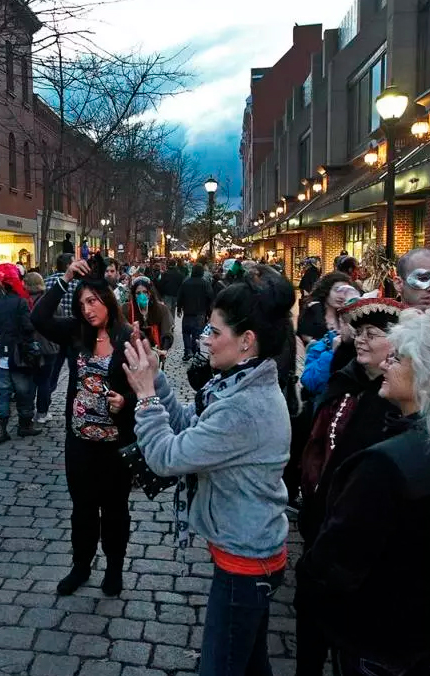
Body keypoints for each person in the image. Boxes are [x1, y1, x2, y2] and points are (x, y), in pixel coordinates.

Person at [296, 307, 430, 676]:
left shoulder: (386, 464)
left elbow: (340, 559)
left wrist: (310, 578)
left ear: (429, 378)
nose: (387, 365)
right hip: (424, 621)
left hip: (377, 627)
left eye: (398, 358)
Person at [122, 275, 294, 676]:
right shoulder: (236, 388)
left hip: (246, 565)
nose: (204, 338)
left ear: (246, 340)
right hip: (249, 553)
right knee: (251, 664)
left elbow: (167, 456)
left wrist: (146, 397)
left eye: (215, 332)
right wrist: (158, 378)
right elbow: (188, 425)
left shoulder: (243, 407)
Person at [294, 297, 405, 676]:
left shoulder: (397, 403)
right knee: (309, 613)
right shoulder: (345, 379)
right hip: (321, 512)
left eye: (372, 335)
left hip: (358, 525)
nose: (361, 340)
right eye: (359, 333)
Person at [31, 255, 137, 598]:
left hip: (116, 443)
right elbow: (39, 317)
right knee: (83, 509)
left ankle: (115, 568)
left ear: (108, 300)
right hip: (80, 442)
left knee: (116, 509)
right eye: (82, 303)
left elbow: (146, 390)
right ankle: (81, 565)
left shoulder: (126, 337)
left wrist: (126, 403)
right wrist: (63, 280)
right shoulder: (76, 333)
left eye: (93, 301)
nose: (88, 309)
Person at [0, 264, 41, 442]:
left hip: (3, 353)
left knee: (4, 392)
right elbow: (28, 327)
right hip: (19, 354)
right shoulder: (21, 303)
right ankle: (25, 425)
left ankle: (1, 426)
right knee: (23, 391)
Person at [24, 272, 60, 423]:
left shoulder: (24, 302)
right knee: (45, 380)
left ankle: (29, 411)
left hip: (30, 347)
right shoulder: (50, 301)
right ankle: (42, 412)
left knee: (32, 380)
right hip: (49, 346)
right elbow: (59, 321)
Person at [44, 253, 78, 393]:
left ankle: (46, 400)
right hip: (72, 333)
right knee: (75, 370)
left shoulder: (46, 282)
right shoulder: (76, 284)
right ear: (67, 266)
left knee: (52, 371)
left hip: (52, 333)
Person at [296, 271, 356, 345]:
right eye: (337, 290)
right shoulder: (313, 310)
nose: (341, 296)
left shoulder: (347, 314)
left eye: (345, 292)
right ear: (326, 290)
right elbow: (309, 342)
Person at [127, 277, 174, 363]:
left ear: (150, 293)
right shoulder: (127, 309)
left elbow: (166, 331)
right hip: (134, 355)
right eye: (138, 293)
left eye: (145, 292)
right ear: (134, 295)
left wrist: (164, 348)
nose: (142, 295)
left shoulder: (161, 309)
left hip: (155, 353)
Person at [176, 264, 215, 361]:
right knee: (197, 333)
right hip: (200, 313)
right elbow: (210, 297)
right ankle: (195, 351)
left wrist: (179, 308)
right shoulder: (205, 283)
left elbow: (180, 296)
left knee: (186, 332)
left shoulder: (186, 283)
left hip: (188, 312)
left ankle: (188, 351)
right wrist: (210, 313)